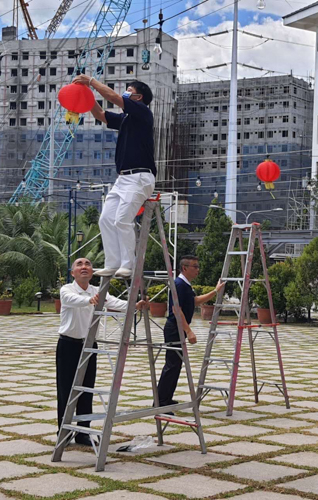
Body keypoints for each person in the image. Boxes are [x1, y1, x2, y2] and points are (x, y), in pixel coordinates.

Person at [71, 75, 155, 279]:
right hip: (123, 179)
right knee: (106, 219)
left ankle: (128, 264)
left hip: (140, 176)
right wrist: (85, 96)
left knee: (122, 220)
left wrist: (91, 81)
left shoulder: (142, 112)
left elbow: (115, 98)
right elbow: (101, 114)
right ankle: (113, 262)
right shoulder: (126, 119)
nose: (125, 94)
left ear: (138, 97)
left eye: (129, 91)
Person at [56, 257, 147, 445]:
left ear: (92, 272)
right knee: (66, 389)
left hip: (89, 345)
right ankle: (63, 432)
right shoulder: (67, 290)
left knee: (87, 388)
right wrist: (90, 300)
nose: (84, 267)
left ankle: (83, 432)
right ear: (72, 272)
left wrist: (134, 305)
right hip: (68, 345)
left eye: (87, 264)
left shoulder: (98, 291)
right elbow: (74, 300)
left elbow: (114, 302)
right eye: (79, 264)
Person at [157, 255, 225, 409]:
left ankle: (166, 399)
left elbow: (195, 301)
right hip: (175, 328)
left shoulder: (186, 285)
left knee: (176, 365)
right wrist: (189, 331)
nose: (198, 270)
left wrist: (215, 291)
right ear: (185, 268)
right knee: (172, 364)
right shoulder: (179, 284)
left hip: (178, 327)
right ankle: (160, 402)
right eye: (195, 266)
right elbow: (176, 310)